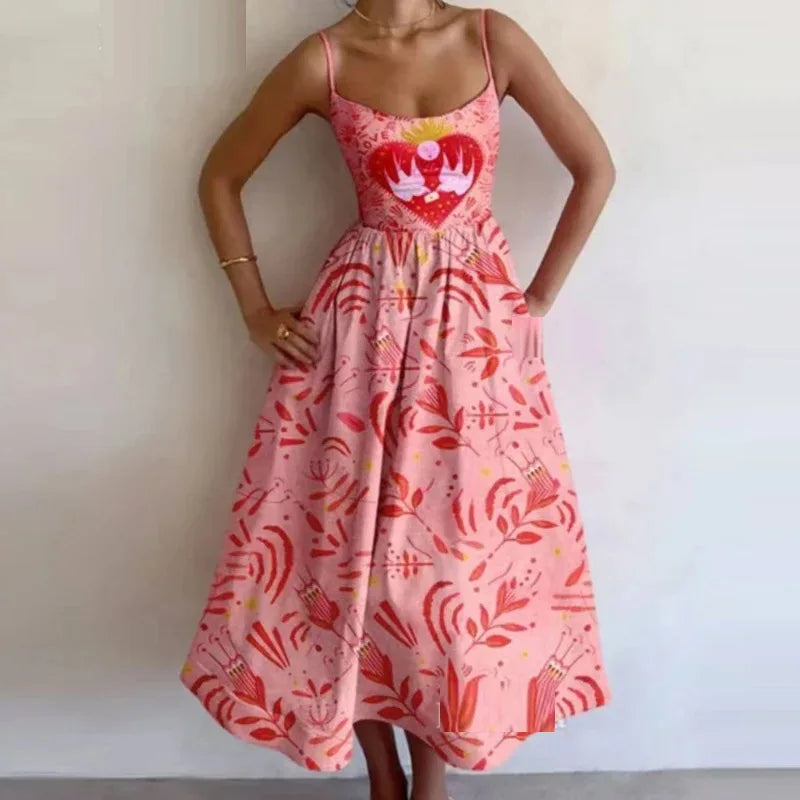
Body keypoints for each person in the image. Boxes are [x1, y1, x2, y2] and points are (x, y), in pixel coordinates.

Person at [181, 3, 615, 799]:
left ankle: (434, 776)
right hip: (356, 329)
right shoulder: (326, 59)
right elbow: (220, 175)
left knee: (451, 559)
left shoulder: (492, 38)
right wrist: (254, 308)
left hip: (473, 339)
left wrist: (537, 300)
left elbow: (595, 167)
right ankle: (384, 773)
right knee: (352, 555)